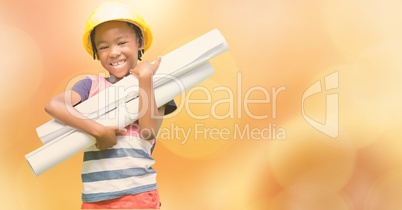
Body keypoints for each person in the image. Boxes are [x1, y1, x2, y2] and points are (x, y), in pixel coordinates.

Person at [44, 1, 176, 209]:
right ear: (96, 52)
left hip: (137, 195)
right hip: (94, 199)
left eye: (122, 43)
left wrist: (145, 78)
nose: (113, 52)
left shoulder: (156, 85)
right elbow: (54, 105)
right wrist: (98, 130)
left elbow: (149, 131)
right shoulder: (90, 85)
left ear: (139, 42)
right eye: (104, 47)